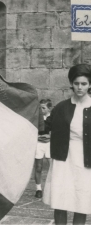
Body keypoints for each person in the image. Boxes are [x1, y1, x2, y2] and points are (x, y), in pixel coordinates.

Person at [43, 64, 91, 225]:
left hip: (86, 161)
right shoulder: (61, 107)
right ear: (71, 83)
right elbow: (44, 126)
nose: (79, 87)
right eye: (76, 83)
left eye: (84, 84)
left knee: (81, 202)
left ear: (90, 84)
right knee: (60, 202)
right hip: (63, 159)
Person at [34, 99, 52, 198]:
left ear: (49, 108)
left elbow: (57, 130)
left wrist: (50, 136)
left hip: (50, 144)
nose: (41, 110)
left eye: (43, 108)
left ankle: (52, 188)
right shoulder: (37, 118)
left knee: (52, 166)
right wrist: (37, 136)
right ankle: (38, 189)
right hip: (39, 143)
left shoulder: (53, 118)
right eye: (40, 108)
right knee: (38, 167)